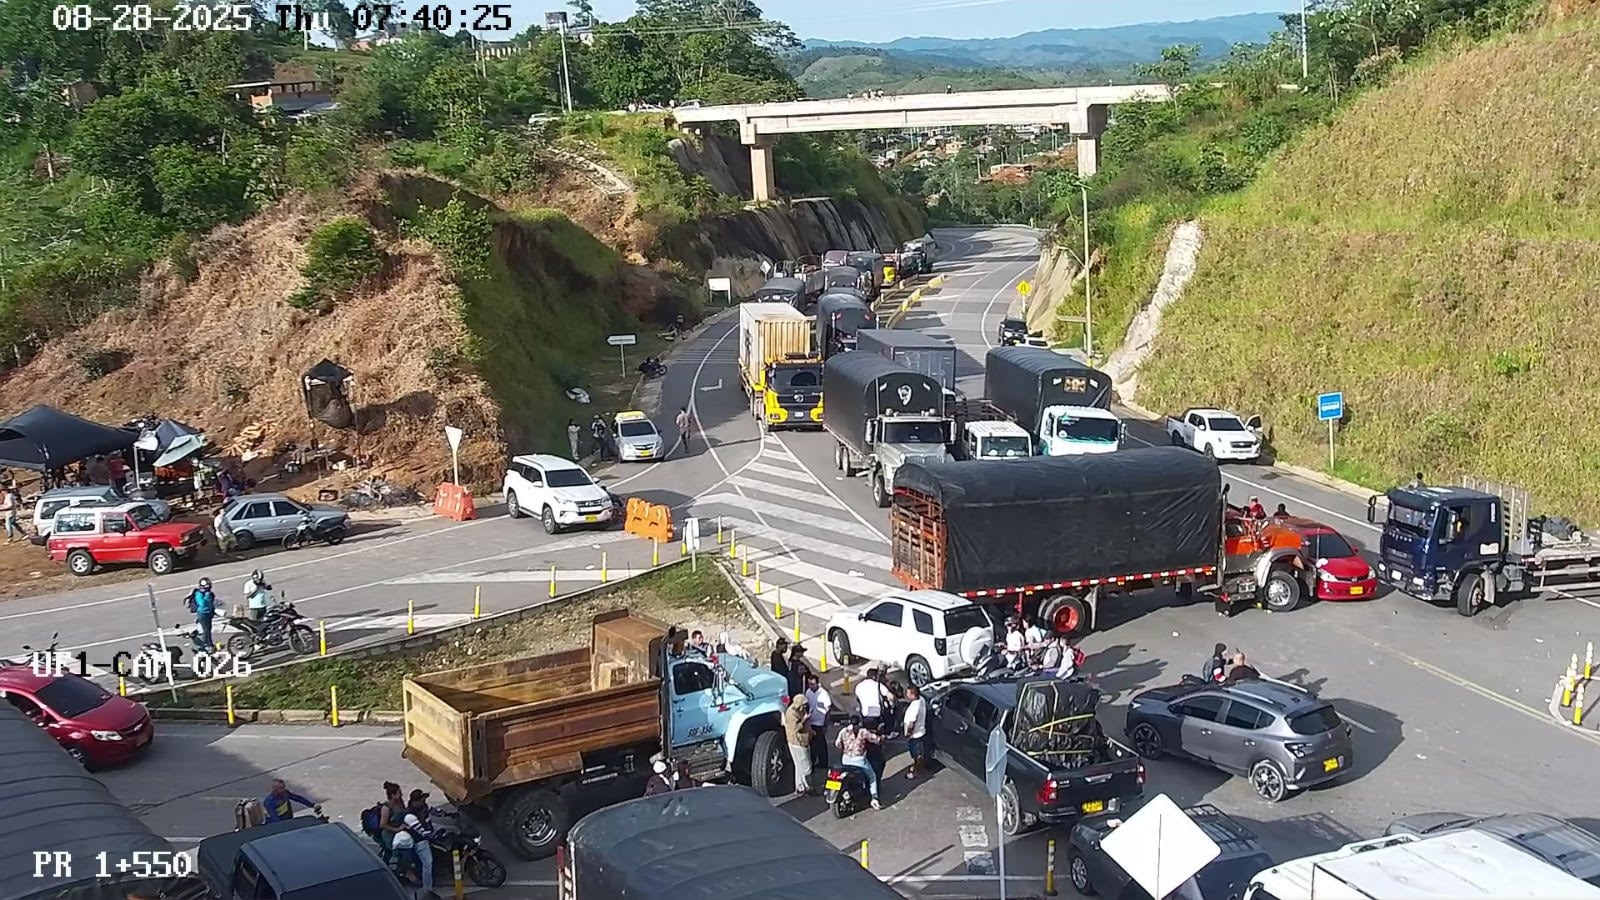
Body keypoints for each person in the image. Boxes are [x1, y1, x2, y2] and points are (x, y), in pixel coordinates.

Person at [835, 714, 882, 810]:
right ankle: (874, 798)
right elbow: (876, 739)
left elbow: (838, 744)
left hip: (846, 759)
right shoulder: (862, 732)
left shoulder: (843, 731)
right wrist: (882, 738)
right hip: (859, 760)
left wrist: (846, 748)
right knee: (872, 776)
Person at [400, 789, 438, 894]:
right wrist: (435, 835)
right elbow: (421, 832)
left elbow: (433, 811)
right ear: (415, 801)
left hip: (426, 838)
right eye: (422, 800)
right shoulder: (409, 816)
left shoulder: (423, 806)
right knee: (427, 864)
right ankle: (427, 890)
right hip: (419, 842)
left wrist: (448, 814)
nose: (424, 801)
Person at [783, 695, 814, 796]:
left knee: (799, 766)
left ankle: (800, 787)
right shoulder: (791, 714)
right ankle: (808, 787)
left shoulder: (799, 710)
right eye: (803, 704)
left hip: (801, 740)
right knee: (806, 767)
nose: (805, 707)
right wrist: (804, 719)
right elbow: (796, 728)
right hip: (798, 743)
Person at [804, 672, 832, 769]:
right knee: (812, 744)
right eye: (809, 684)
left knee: (821, 744)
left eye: (813, 684)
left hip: (820, 722)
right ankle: (813, 760)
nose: (811, 686)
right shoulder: (808, 692)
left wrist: (825, 724)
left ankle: (823, 763)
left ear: (817, 683)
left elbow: (828, 710)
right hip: (811, 721)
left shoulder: (824, 694)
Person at [901, 685, 928, 780]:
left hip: (915, 735)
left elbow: (911, 723)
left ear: (913, 695)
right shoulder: (921, 700)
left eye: (908, 693)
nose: (906, 695)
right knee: (918, 753)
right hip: (920, 732)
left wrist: (908, 734)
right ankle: (918, 767)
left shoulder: (914, 708)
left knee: (917, 755)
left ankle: (916, 771)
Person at [185, 578, 218, 652]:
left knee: (208, 629)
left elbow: (211, 602)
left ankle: (209, 643)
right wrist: (207, 596)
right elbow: (202, 604)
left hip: (208, 613)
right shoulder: (199, 594)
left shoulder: (209, 593)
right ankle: (207, 645)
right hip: (202, 613)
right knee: (205, 630)